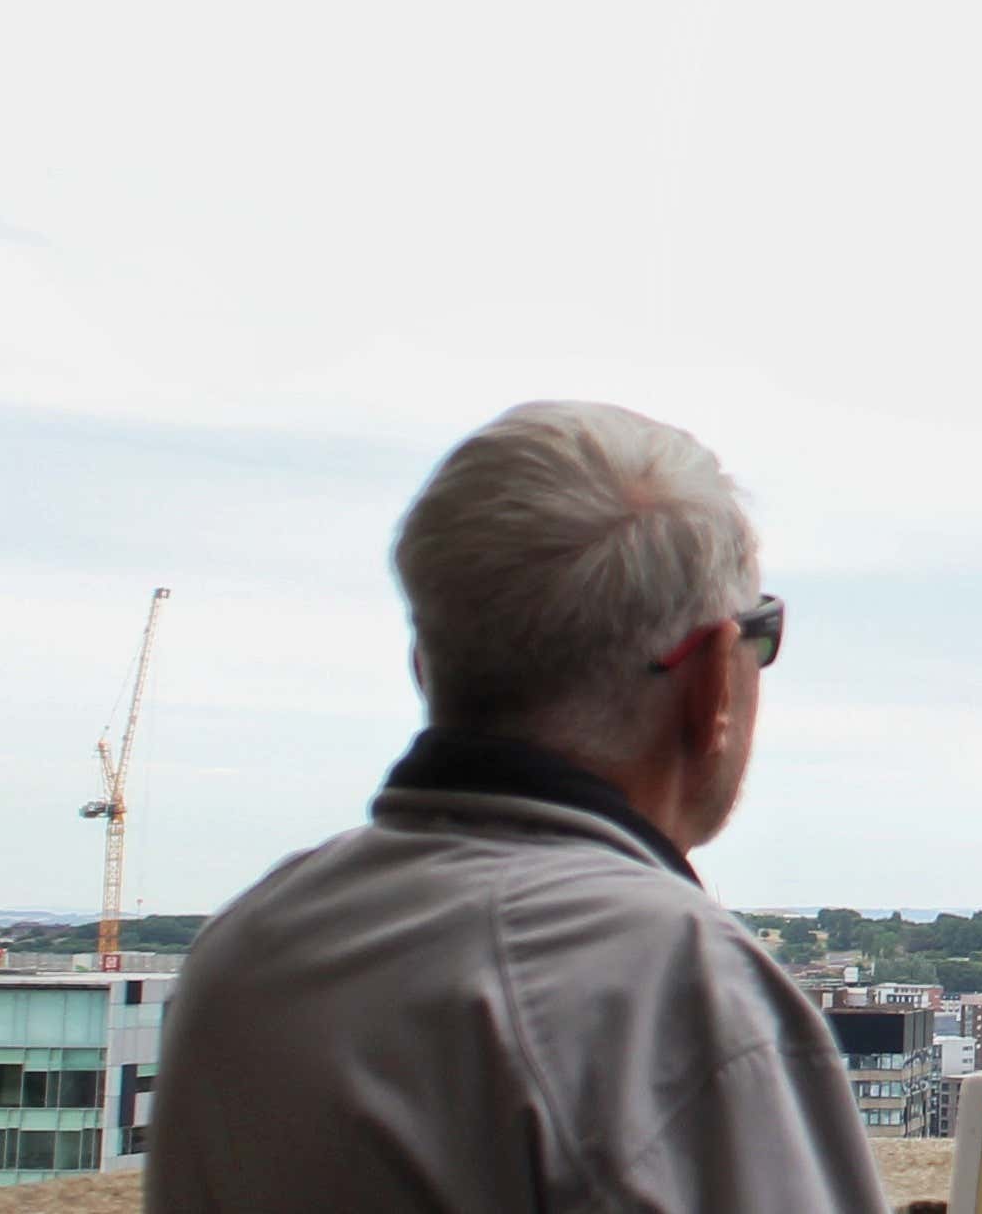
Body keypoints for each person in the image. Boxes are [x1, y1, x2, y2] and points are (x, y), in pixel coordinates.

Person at [151, 401, 886, 1214]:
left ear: (425, 666)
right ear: (714, 677)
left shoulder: (248, 946)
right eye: (760, 633)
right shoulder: (669, 982)